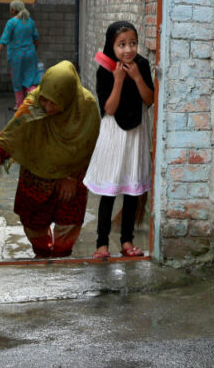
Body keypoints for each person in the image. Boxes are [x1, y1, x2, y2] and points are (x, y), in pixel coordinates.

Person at [0, 61, 100, 259]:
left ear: (67, 97)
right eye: (44, 100)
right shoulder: (33, 106)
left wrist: (72, 177)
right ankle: (42, 255)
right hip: (35, 177)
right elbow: (2, 144)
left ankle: (61, 259)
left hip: (71, 178)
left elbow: (90, 147)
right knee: (33, 224)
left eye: (53, 102)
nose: (46, 107)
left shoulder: (86, 106)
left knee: (68, 224)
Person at [83, 21, 154, 260]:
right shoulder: (105, 68)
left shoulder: (142, 65)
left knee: (132, 188)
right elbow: (110, 108)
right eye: (121, 44)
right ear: (111, 46)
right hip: (114, 134)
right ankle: (102, 243)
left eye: (132, 43)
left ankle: (127, 241)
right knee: (110, 188)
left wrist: (136, 77)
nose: (128, 50)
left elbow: (149, 99)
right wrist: (119, 79)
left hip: (136, 134)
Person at [0, 0, 43, 109]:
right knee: (30, 79)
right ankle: (32, 102)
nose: (10, 10)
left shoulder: (11, 23)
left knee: (18, 79)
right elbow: (36, 39)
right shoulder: (30, 22)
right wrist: (33, 50)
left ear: (14, 10)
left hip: (16, 56)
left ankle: (19, 105)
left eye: (11, 8)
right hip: (30, 55)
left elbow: (3, 40)